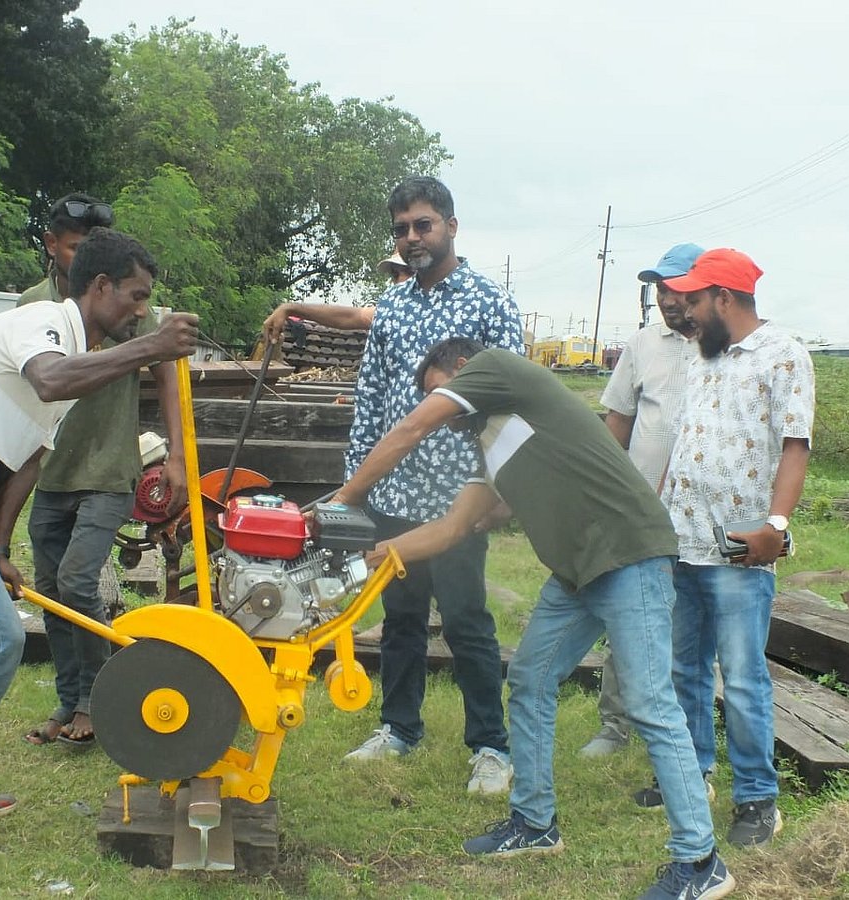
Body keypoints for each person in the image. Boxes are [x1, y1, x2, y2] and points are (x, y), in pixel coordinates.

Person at [335, 338, 734, 900]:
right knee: (529, 679)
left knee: (649, 701)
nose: (441, 408)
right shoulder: (493, 442)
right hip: (576, 573)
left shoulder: (499, 368)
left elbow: (410, 429)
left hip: (627, 554)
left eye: (438, 389)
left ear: (462, 371)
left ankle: (701, 862)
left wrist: (345, 500)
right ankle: (534, 824)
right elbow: (452, 529)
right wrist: (368, 555)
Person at [0, 229, 199, 842]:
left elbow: (29, 459)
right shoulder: (40, 323)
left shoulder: (83, 348)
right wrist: (154, 345)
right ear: (99, 286)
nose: (141, 310)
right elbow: (51, 380)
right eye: (135, 296)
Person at [340, 177, 523, 797]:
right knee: (399, 617)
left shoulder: (490, 303)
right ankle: (398, 728)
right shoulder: (390, 306)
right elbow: (371, 398)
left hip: (459, 494)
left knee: (467, 618)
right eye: (402, 228)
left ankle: (491, 747)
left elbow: (513, 402)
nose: (413, 237)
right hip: (395, 496)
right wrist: (355, 483)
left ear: (450, 225)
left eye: (423, 224)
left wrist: (501, 488)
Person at [657, 248, 814, 847]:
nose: (686, 311)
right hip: (682, 538)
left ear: (724, 297)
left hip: (737, 547)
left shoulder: (784, 356)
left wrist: (776, 523)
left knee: (743, 677)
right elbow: (686, 440)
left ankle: (757, 798)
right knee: (684, 667)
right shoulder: (703, 356)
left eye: (694, 300)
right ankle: (692, 773)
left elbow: (795, 445)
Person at [18, 194, 186, 748]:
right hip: (49, 470)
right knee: (47, 589)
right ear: (52, 247)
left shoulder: (134, 311)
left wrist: (180, 457)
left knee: (76, 581)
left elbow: (167, 379)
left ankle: (97, 696)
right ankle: (68, 701)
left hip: (112, 467)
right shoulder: (34, 307)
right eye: (73, 248)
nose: (82, 258)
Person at [582, 243, 702, 759]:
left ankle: (680, 730)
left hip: (703, 514)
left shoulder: (722, 345)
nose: (667, 299)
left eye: (676, 287)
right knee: (629, 609)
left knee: (692, 620)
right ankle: (615, 724)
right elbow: (618, 423)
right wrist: (609, 496)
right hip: (642, 509)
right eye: (660, 289)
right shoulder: (642, 345)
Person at [259, 248, 410, 346]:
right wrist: (290, 308)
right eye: (395, 275)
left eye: (409, 272)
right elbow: (348, 316)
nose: (400, 281)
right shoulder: (391, 313)